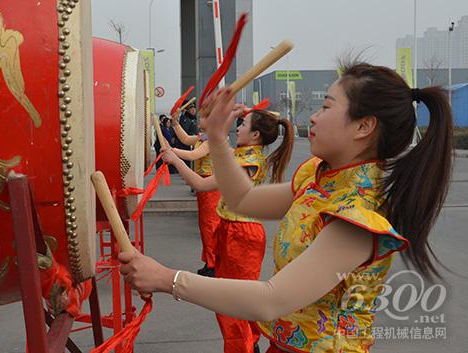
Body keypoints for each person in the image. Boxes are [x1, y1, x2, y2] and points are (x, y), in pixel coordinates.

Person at [118, 60, 453, 353]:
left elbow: (271, 299)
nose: (314, 117)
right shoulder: (316, 176)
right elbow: (243, 200)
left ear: (364, 126)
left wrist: (167, 279)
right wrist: (218, 139)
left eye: (325, 107)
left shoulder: (360, 215)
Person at [161, 107, 294, 353]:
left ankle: (243, 348)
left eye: (243, 124)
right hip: (234, 232)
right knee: (239, 301)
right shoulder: (243, 155)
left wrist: (175, 160)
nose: (238, 128)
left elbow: (201, 184)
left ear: (255, 135)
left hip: (241, 236)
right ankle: (249, 343)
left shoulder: (247, 162)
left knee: (230, 306)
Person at [170, 110, 221, 277]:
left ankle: (214, 264)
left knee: (210, 225)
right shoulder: (203, 137)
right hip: (204, 185)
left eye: (205, 117)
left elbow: (193, 155)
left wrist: (172, 152)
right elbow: (185, 139)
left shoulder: (213, 139)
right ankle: (209, 261)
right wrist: (176, 123)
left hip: (211, 186)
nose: (201, 119)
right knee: (205, 225)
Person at [175, 100, 199, 168]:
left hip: (195, 140)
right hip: (187, 141)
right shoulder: (185, 118)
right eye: (191, 109)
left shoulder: (195, 118)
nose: (193, 110)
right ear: (187, 110)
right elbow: (184, 131)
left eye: (194, 108)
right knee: (187, 158)